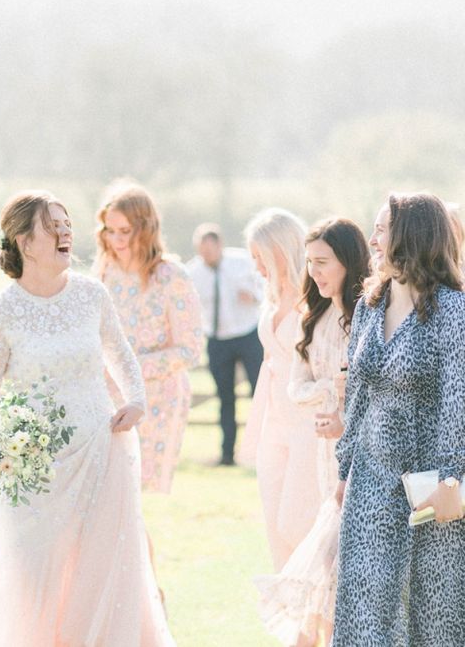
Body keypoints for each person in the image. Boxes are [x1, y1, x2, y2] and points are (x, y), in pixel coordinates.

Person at [0, 191, 173, 647]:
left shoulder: (92, 294)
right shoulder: (0, 312)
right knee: (30, 576)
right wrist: (6, 447)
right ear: (26, 243)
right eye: (53, 225)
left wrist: (137, 400)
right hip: (33, 472)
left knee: (102, 573)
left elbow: (121, 355)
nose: (67, 231)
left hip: (100, 452)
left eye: (67, 223)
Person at [333, 193, 465, 645]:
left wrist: (451, 479)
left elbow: (457, 402)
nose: (371, 240)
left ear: (411, 235)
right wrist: (344, 466)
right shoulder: (372, 304)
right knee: (364, 605)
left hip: (428, 483)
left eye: (381, 230)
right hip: (370, 477)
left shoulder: (453, 310)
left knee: (429, 609)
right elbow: (357, 394)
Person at [255, 218, 370, 646]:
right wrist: (330, 390)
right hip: (324, 456)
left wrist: (346, 400)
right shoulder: (313, 318)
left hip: (363, 453)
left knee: (336, 558)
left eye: (323, 262)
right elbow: (295, 388)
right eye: (310, 263)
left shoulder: (367, 318)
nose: (315, 272)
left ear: (348, 261)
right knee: (327, 559)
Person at [95, 183, 202, 493]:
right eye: (109, 230)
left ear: (145, 228)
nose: (116, 240)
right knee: (108, 493)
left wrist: (130, 367)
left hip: (158, 398)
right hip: (107, 395)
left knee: (135, 496)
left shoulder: (171, 276)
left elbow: (190, 349)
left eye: (125, 231)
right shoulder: (103, 272)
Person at [242, 208, 320, 572]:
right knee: (274, 521)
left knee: (300, 520)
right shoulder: (271, 298)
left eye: (261, 256)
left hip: (307, 421)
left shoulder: (316, 300)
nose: (256, 265)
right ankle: (297, 625)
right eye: (252, 257)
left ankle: (322, 613)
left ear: (282, 251)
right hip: (273, 421)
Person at [186, 223, 263, 465]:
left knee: (258, 393)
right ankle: (227, 454)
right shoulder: (193, 273)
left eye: (210, 250)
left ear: (219, 245)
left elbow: (265, 285)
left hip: (247, 333)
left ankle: (262, 450)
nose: (206, 256)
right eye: (202, 251)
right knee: (225, 397)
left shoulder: (243, 262)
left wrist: (254, 297)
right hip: (217, 339)